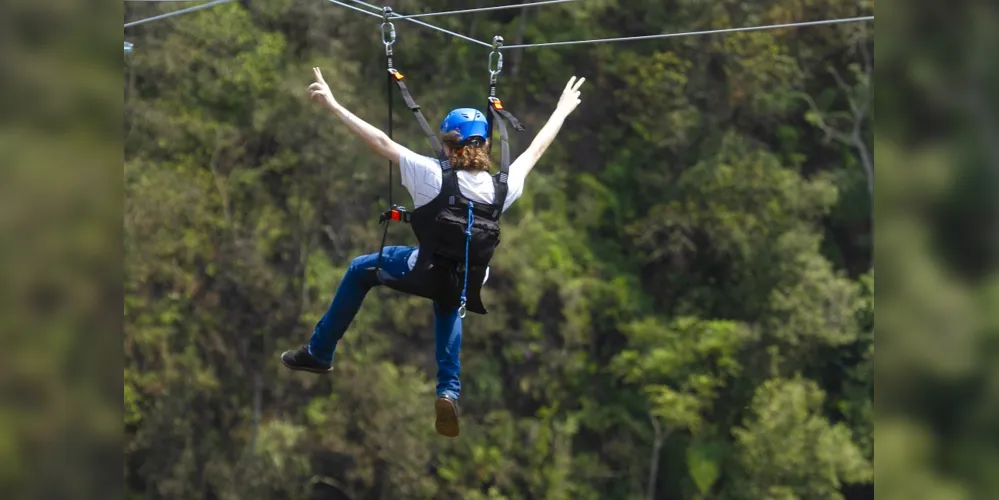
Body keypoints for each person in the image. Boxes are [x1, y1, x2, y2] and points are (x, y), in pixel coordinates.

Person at [281, 67, 585, 437]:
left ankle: (320, 352)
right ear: (485, 148)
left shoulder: (431, 174)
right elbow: (536, 148)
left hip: (421, 268)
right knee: (449, 297)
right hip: (467, 280)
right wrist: (562, 110)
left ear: (448, 146)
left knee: (361, 270)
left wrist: (333, 105)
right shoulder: (505, 188)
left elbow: (379, 141)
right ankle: (448, 389)